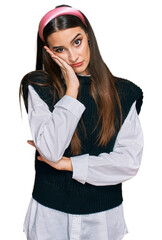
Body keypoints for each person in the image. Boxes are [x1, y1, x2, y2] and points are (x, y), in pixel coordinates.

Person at [19, 4, 144, 240]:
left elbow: (128, 163)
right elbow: (51, 151)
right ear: (49, 51)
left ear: (88, 36)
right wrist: (72, 90)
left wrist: (69, 165)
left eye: (77, 42)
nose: (73, 56)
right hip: (49, 215)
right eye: (60, 49)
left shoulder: (125, 93)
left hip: (104, 218)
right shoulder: (38, 87)